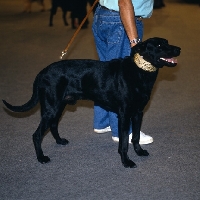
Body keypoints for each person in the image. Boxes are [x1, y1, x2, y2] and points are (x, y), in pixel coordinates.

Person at [92, 0, 154, 145]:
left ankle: (102, 122)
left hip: (103, 14)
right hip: (122, 20)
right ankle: (123, 131)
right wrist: (134, 41)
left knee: (107, 73)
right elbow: (124, 2)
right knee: (122, 81)